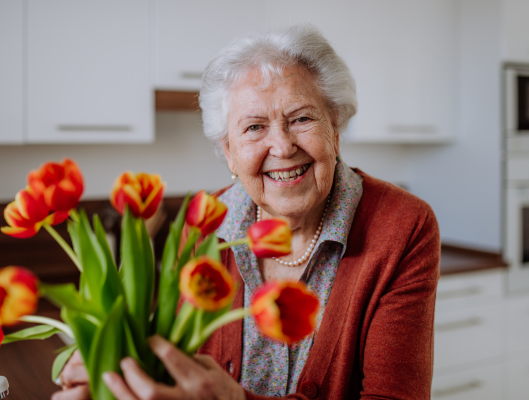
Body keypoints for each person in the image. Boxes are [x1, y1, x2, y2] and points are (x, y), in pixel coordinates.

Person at [52, 24, 440, 400]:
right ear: (228, 153)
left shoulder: (403, 226)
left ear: (334, 129)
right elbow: (184, 365)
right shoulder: (204, 223)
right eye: (254, 127)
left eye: (302, 118)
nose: (283, 146)